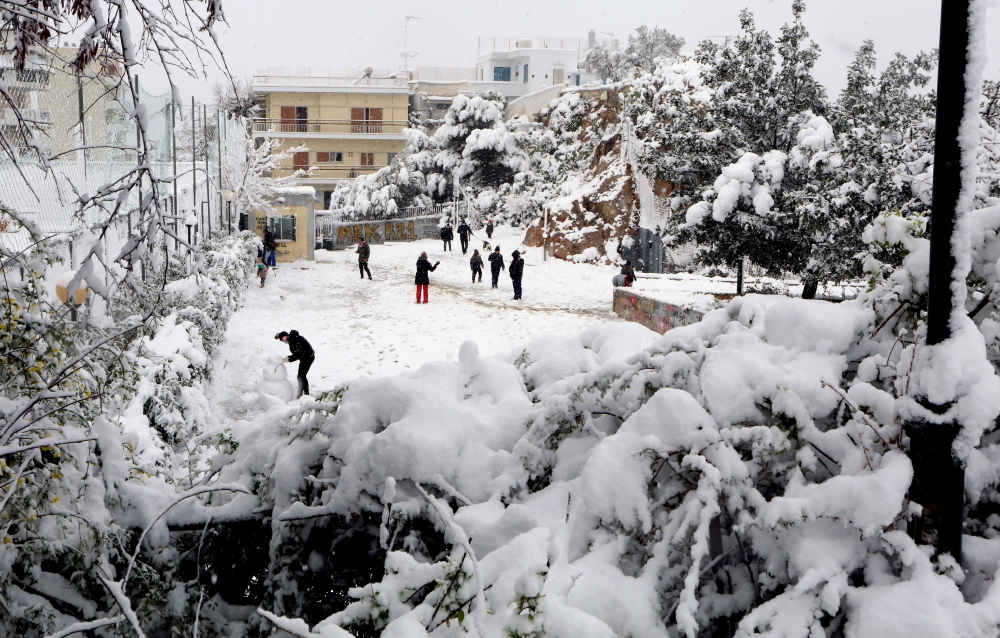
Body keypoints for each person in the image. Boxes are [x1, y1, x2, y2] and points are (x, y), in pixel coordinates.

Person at [275, 330, 315, 398]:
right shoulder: (292, 341)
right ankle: (304, 393)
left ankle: (303, 394)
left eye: (284, 338)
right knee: (301, 376)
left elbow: (298, 354)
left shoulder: (296, 339)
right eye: (283, 340)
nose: (285, 340)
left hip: (308, 357)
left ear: (287, 335)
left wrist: (288, 359)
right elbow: (297, 354)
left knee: (301, 376)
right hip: (304, 357)